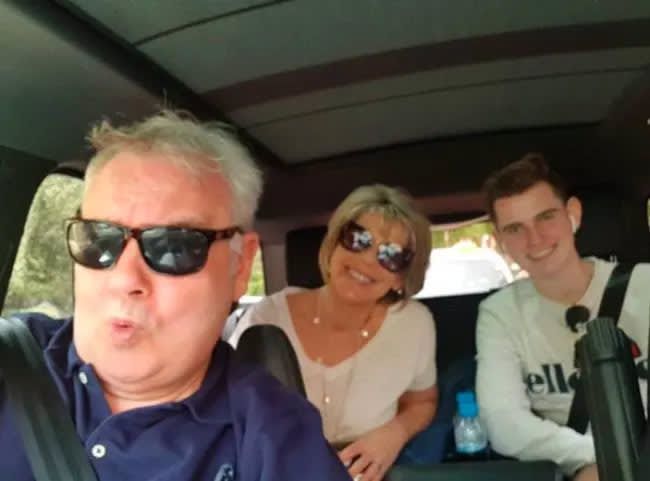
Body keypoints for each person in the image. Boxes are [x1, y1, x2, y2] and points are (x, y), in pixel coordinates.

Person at [0, 111, 351, 481]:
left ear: (240, 267)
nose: (124, 277)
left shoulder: (279, 440)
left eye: (174, 246)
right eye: (100, 239)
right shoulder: (13, 360)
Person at [230, 184, 438, 481]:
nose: (368, 260)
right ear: (333, 245)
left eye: (391, 255)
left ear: (401, 279)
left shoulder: (414, 325)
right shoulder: (267, 318)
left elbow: (423, 402)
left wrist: (393, 435)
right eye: (358, 239)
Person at [475, 153, 649, 481]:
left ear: (573, 215)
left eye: (546, 217)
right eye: (515, 228)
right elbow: (503, 422)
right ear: (501, 243)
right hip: (577, 465)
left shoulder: (646, 284)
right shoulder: (499, 313)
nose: (535, 239)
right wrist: (601, 458)